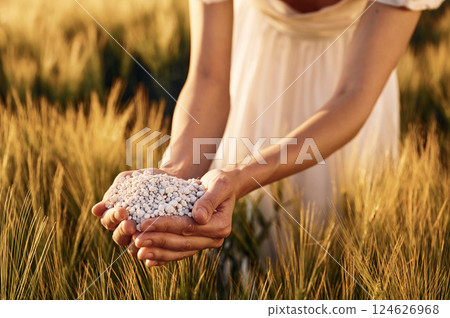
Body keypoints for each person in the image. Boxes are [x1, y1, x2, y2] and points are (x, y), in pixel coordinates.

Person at [92, 0, 444, 267]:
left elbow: (354, 95)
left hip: (348, 102)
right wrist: (179, 171)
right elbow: (209, 76)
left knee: (341, 245)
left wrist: (242, 174)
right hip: (255, 71)